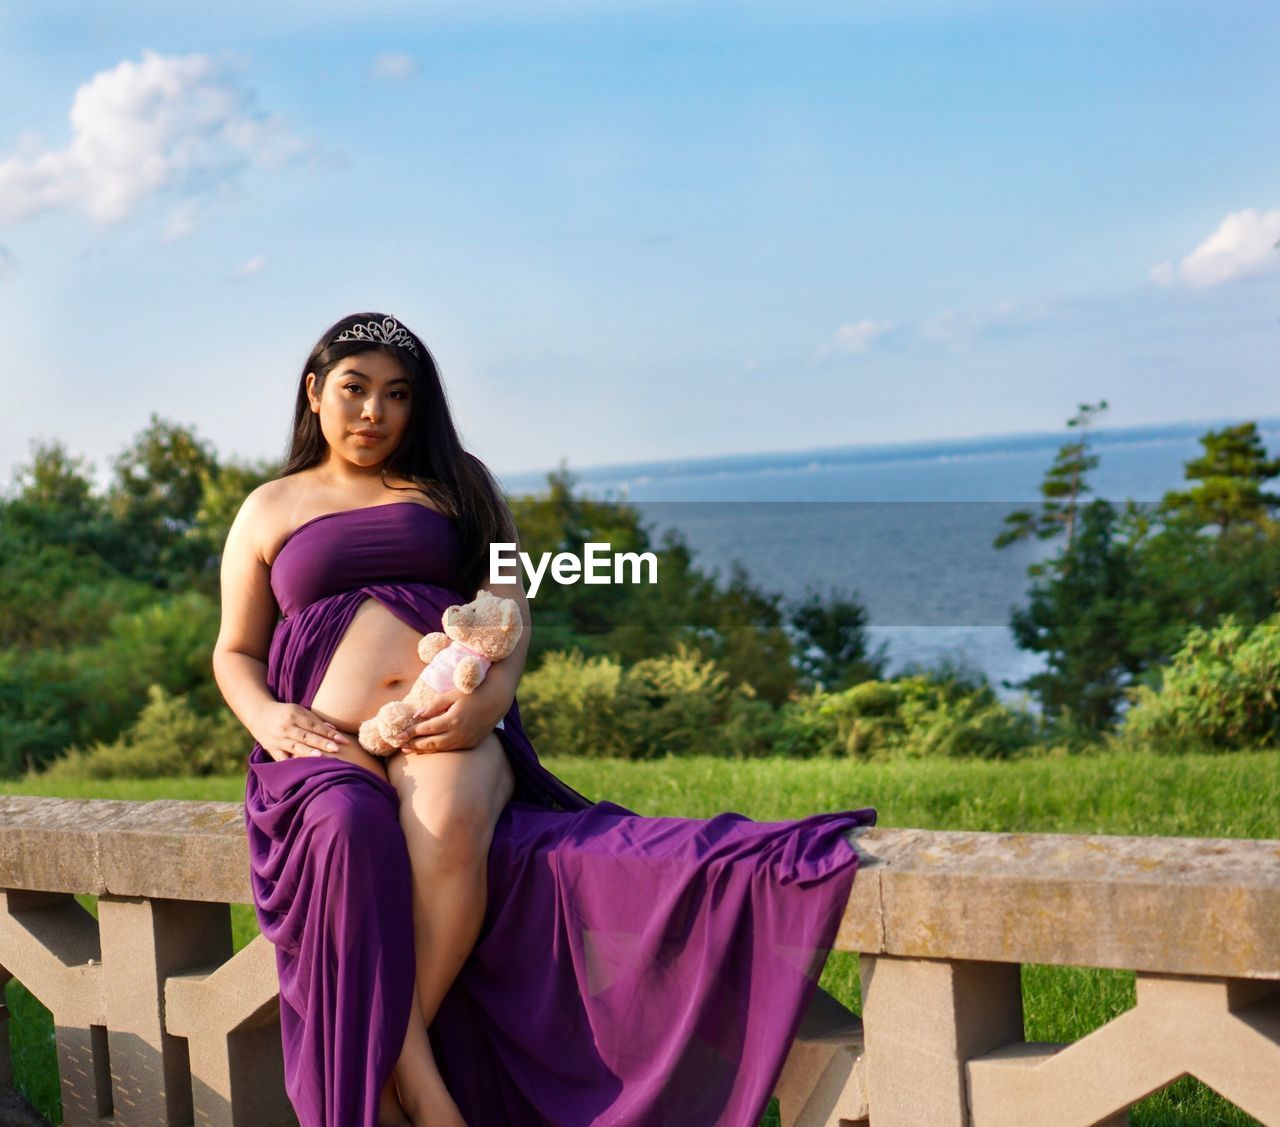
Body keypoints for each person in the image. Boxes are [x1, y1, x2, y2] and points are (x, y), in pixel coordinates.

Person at [212, 311, 877, 1127]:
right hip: (321, 743)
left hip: (446, 726)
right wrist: (269, 716)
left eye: (396, 395)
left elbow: (509, 610)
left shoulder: (461, 485)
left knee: (453, 817)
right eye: (353, 390)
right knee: (350, 833)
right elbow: (234, 649)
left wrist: (487, 702)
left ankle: (388, 1062)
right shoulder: (268, 507)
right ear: (315, 392)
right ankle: (420, 1087)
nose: (373, 413)